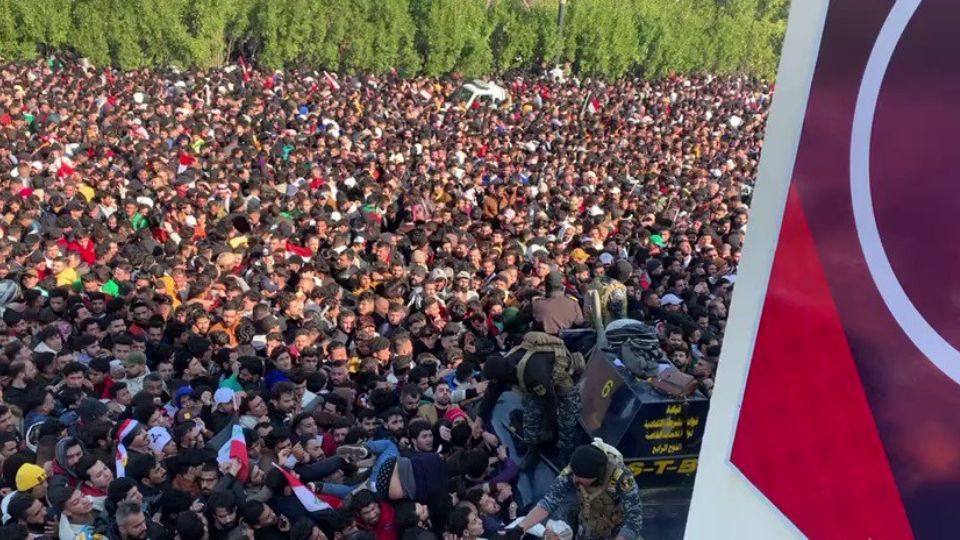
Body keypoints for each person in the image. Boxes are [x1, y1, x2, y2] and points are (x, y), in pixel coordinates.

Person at [511, 441, 643, 540]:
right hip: (589, 525)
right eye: (574, 474)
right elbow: (549, 502)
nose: (574, 480)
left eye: (580, 478)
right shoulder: (574, 469)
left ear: (594, 476)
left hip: (618, 530)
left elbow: (634, 520)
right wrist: (520, 528)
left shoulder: (622, 477)